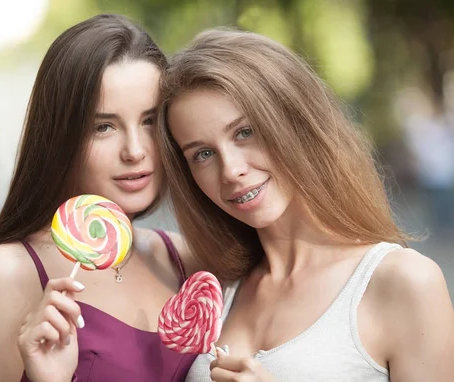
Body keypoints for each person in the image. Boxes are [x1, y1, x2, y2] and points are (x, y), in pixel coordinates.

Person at [157, 29, 454, 381]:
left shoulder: (402, 282)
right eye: (202, 154)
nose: (232, 170)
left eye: (245, 132)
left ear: (296, 122)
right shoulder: (212, 290)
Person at [0, 14, 197, 382]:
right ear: (59, 138)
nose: (134, 150)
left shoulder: (184, 258)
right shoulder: (7, 272)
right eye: (103, 126)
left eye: (150, 121)